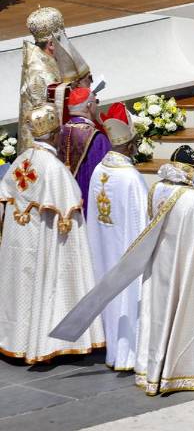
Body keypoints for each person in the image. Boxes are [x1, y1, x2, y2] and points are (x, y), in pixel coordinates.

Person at [52, 146, 194, 396]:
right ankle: (182, 370)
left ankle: (152, 369)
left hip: (160, 266)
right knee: (185, 315)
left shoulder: (158, 189)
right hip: (185, 267)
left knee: (159, 316)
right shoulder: (192, 199)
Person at [0, 102, 104, 363]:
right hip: (43, 246)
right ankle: (45, 344)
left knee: (21, 290)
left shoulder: (22, 159)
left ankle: (16, 340)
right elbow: (69, 211)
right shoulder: (54, 168)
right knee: (46, 288)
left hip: (20, 243)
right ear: (55, 135)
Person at [86, 102, 149, 372]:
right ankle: (128, 353)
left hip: (103, 250)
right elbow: (142, 225)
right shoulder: (131, 177)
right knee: (127, 297)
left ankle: (113, 350)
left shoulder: (100, 170)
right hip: (126, 252)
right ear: (131, 143)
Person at [18, 7, 94, 153]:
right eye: (62, 40)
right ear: (52, 44)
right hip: (45, 146)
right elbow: (51, 114)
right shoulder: (40, 73)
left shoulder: (46, 59)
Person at [58, 87, 110, 212]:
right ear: (89, 106)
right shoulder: (97, 138)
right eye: (96, 102)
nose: (97, 107)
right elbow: (106, 177)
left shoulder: (59, 132)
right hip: (86, 203)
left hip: (63, 200)